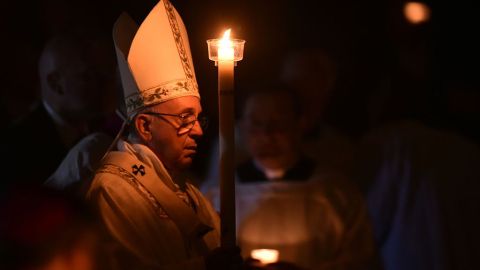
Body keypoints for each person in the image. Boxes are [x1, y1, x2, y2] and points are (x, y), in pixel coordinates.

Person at [86, 1, 242, 269]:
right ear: (145, 126)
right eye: (184, 118)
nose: (199, 130)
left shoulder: (190, 192)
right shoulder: (112, 192)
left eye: (198, 117)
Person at [205, 84, 378, 270]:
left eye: (278, 122)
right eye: (256, 123)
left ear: (300, 124)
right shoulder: (216, 194)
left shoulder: (336, 192)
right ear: (241, 126)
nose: (266, 134)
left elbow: (360, 259)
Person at [0, 31, 118, 191]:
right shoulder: (14, 149)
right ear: (56, 83)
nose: (101, 85)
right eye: (87, 76)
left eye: (101, 74)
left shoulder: (103, 127)